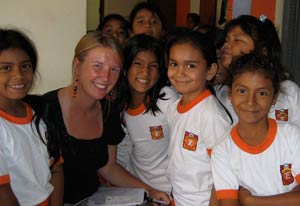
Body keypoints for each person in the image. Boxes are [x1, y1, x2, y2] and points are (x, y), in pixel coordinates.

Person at [42, 31, 170, 204]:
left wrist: (151, 191)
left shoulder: (108, 109)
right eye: (98, 66)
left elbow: (108, 167)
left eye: (114, 69)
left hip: (94, 199)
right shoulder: (45, 110)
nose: (106, 77)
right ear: (77, 65)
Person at [211, 53, 300, 206]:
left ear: (274, 98)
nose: (250, 102)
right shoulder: (222, 150)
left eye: (262, 93)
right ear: (230, 94)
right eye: (242, 91)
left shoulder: (292, 136)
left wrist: (251, 201)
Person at [166, 30, 232, 205]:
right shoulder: (174, 108)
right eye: (174, 64)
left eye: (190, 66)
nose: (179, 73)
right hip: (179, 199)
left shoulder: (211, 115)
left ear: (210, 71)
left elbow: (224, 174)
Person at [0, 28, 63, 206]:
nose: (18, 75)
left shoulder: (39, 112)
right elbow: (3, 194)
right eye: (6, 68)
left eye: (25, 66)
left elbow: (56, 170)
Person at [116, 34, 179, 193]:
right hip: (136, 188)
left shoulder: (166, 99)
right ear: (125, 67)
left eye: (153, 66)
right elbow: (124, 150)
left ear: (160, 72)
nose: (145, 72)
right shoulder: (120, 106)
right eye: (138, 64)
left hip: (168, 191)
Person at [217, 15, 300, 126]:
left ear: (262, 50)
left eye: (237, 40)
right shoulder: (220, 92)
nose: (226, 44)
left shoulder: (288, 90)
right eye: (227, 39)